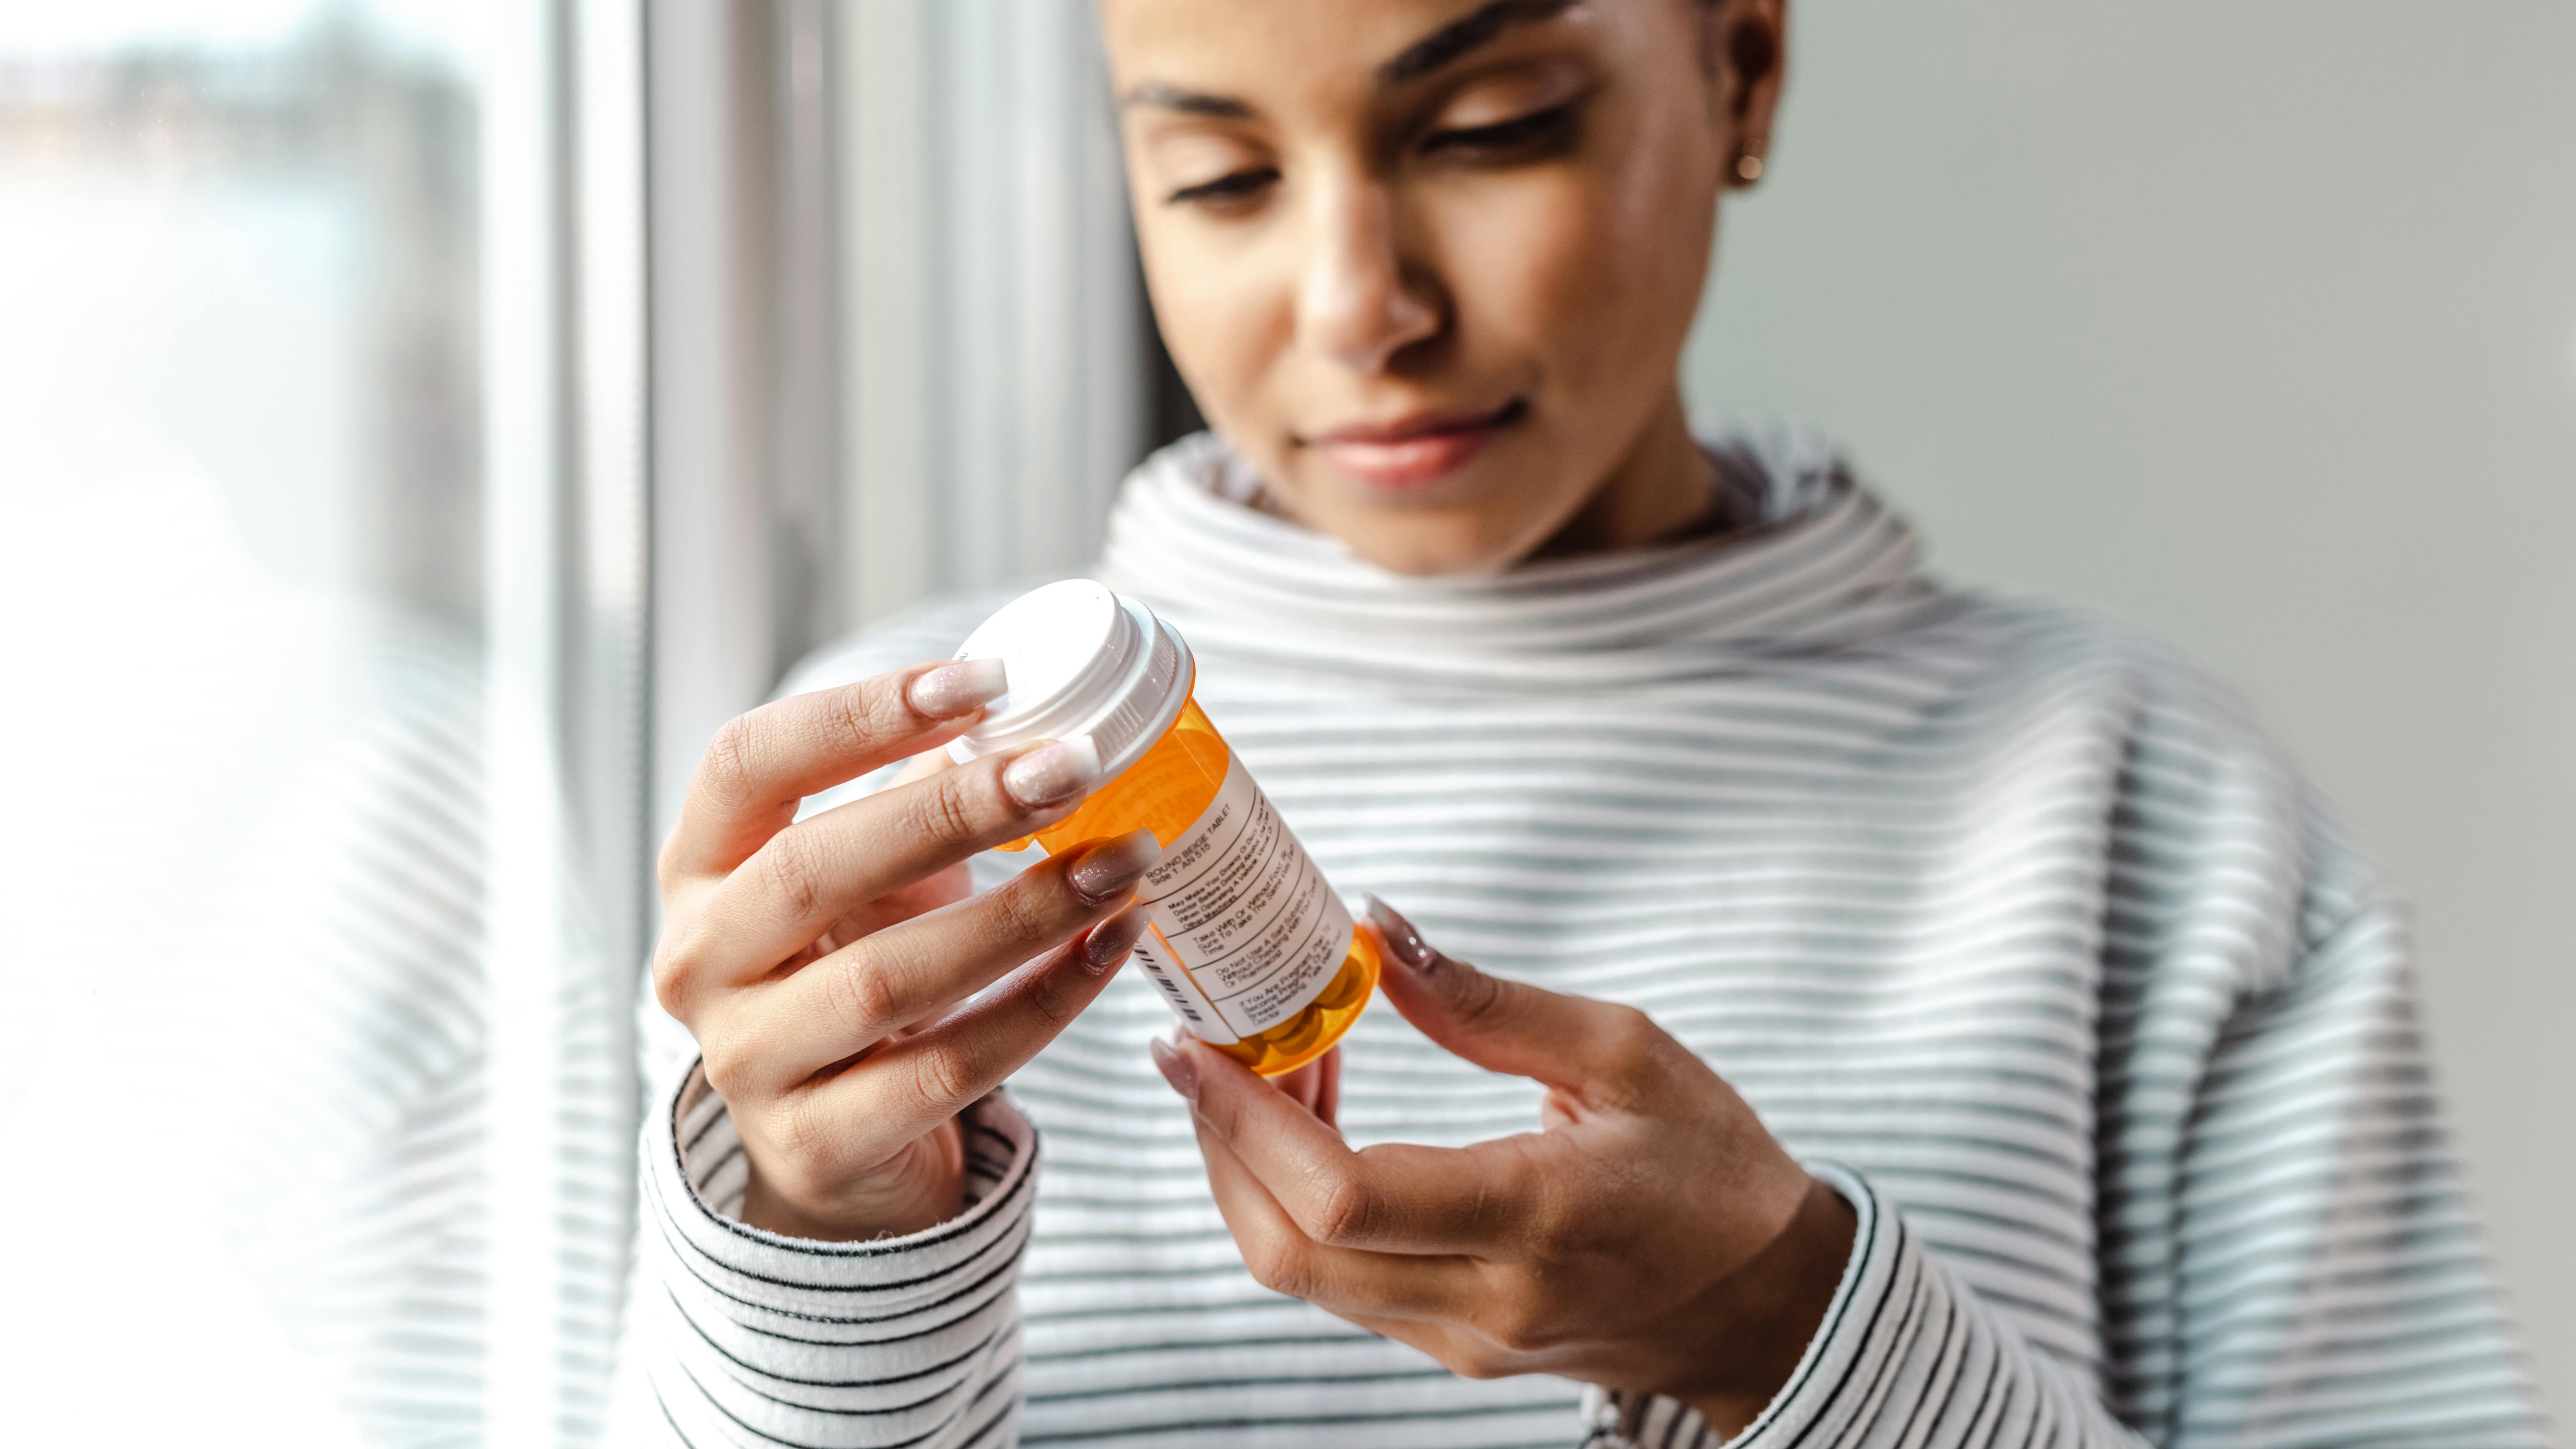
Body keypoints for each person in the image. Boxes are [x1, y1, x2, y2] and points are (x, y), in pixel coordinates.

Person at [615, 2, 2546, 1445]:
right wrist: (819, 1254)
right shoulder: (867, 833)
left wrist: (1790, 1337)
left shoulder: (2139, 806)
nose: (1359, 303)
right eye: (1216, 175)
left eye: (1492, 129)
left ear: (1744, 68)